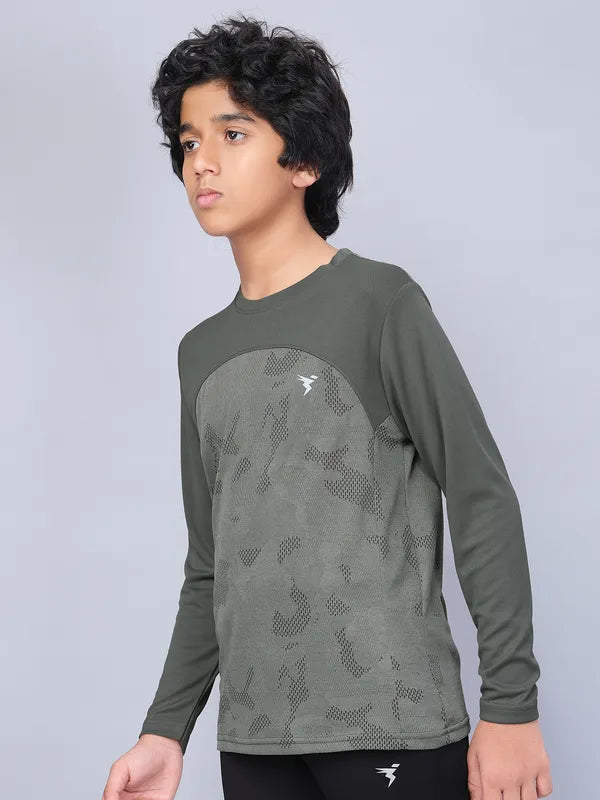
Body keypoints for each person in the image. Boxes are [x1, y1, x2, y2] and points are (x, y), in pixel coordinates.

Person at [102, 14, 553, 800]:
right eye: (187, 141)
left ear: (304, 160)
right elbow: (211, 566)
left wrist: (511, 707)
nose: (201, 161)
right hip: (254, 742)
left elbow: (480, 493)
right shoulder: (200, 353)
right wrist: (164, 729)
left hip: (395, 728)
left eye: (232, 134)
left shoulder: (380, 303)